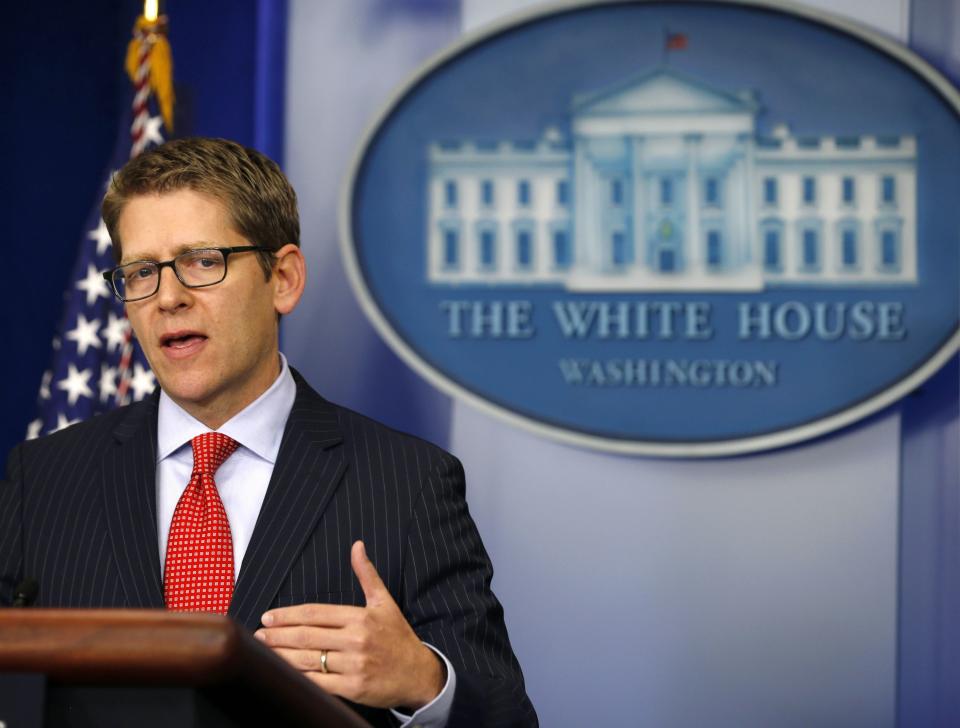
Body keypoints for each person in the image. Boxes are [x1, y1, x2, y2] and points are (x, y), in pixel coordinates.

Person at [0, 137, 537, 727]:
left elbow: (506, 717)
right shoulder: (43, 478)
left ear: (282, 278)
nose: (168, 298)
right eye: (141, 272)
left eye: (202, 261)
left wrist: (423, 681)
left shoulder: (408, 482)